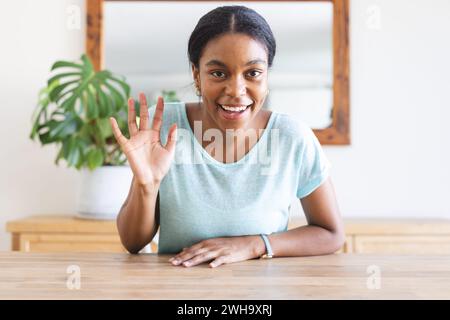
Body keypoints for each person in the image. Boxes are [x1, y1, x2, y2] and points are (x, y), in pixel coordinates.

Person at [109, 5, 344, 268]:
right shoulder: (163, 126)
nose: (236, 90)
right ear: (197, 76)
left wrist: (254, 244)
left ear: (266, 76)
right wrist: (147, 185)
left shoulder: (292, 137)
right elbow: (132, 243)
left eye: (253, 73)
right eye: (218, 73)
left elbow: (331, 234)